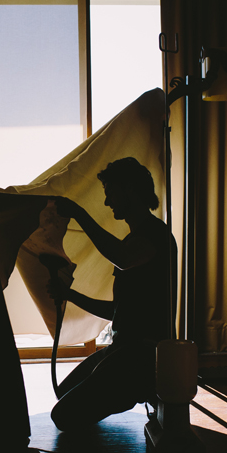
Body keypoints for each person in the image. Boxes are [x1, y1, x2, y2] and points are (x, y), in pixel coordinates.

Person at [48, 157, 178, 431]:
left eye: (111, 194)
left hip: (142, 356)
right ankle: (124, 387)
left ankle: (140, 388)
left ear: (129, 189)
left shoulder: (156, 235)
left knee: (63, 416)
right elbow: (115, 311)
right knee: (64, 393)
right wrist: (68, 294)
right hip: (122, 348)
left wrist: (79, 213)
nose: (108, 203)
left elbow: (122, 257)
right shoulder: (135, 240)